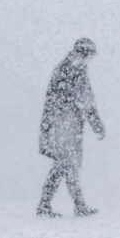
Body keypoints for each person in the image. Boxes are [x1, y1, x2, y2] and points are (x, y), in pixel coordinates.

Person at [37, 38, 106, 217]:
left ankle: (76, 205)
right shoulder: (77, 68)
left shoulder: (65, 66)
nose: (91, 59)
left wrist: (47, 128)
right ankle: (47, 205)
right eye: (91, 55)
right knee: (64, 165)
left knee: (67, 166)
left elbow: (52, 100)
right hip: (67, 125)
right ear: (85, 52)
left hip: (59, 125)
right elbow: (86, 100)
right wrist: (96, 124)